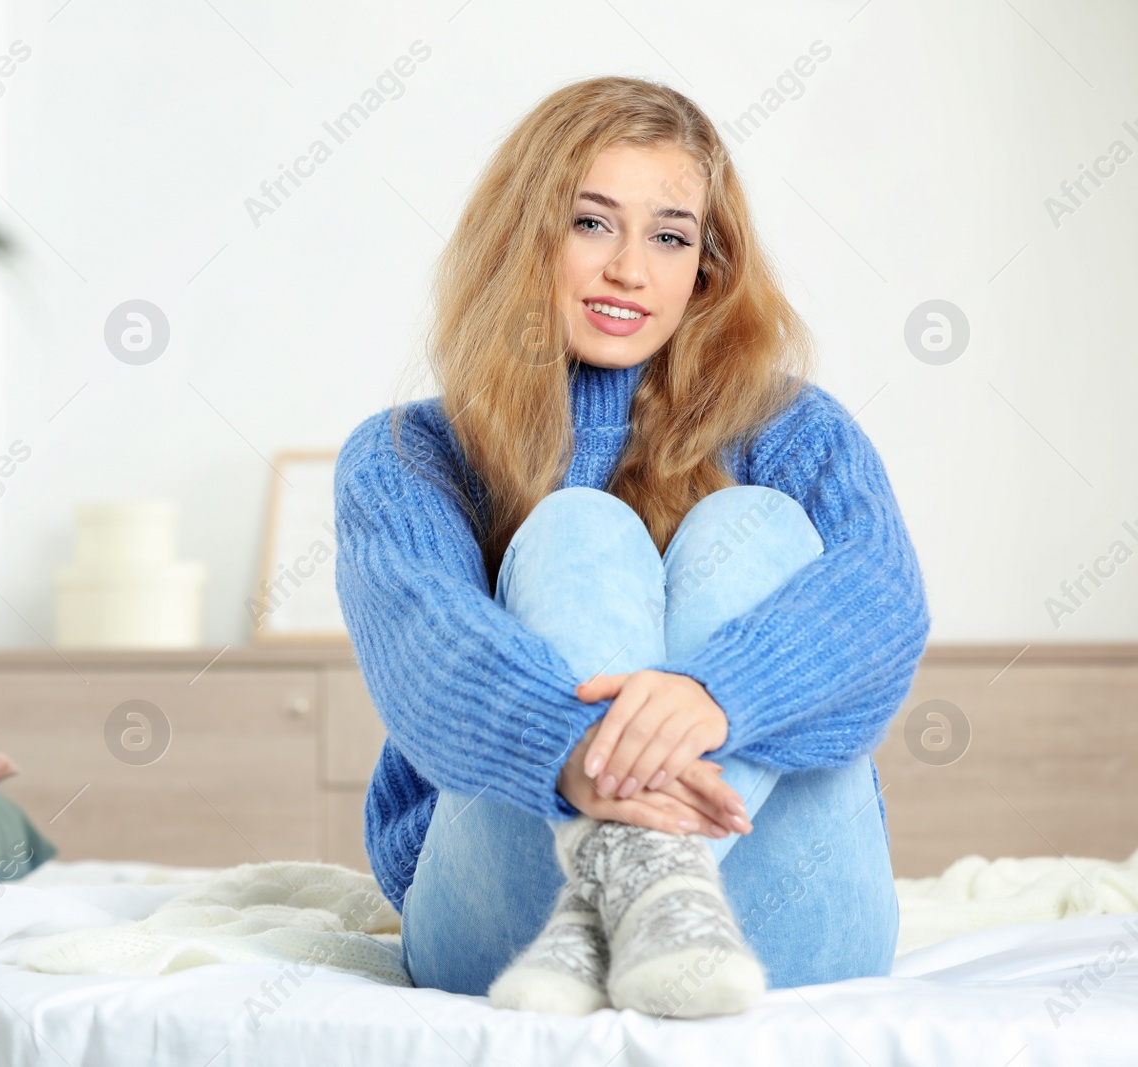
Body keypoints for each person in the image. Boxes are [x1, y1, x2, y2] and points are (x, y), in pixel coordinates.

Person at [333, 76, 930, 1018]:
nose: (629, 269)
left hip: (789, 913)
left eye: (670, 235)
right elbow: (425, 647)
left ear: (706, 265)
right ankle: (631, 875)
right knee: (578, 522)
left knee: (759, 524)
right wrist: (572, 752)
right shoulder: (410, 455)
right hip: (502, 917)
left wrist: (715, 694)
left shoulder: (795, 429)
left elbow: (883, 603)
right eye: (591, 222)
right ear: (525, 235)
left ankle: (605, 906)